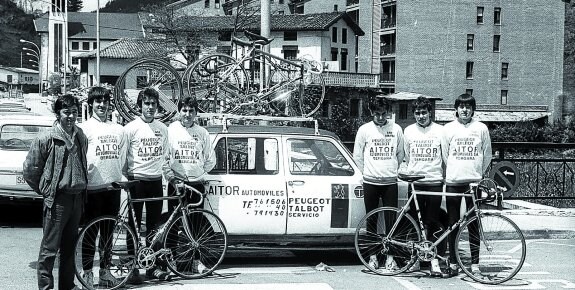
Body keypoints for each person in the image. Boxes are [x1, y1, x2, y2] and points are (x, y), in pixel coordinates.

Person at [23, 94, 88, 290]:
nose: (71, 116)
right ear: (58, 114)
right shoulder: (46, 138)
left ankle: (67, 286)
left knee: (70, 248)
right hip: (57, 200)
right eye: (66, 112)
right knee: (49, 249)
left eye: (74, 112)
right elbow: (30, 170)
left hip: (77, 199)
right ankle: (45, 286)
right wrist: (46, 190)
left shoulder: (80, 135)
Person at [78, 86, 127, 287]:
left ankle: (105, 272)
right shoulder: (84, 128)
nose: (102, 105)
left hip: (113, 188)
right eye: (98, 101)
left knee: (108, 234)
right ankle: (88, 273)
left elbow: (122, 156)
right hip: (93, 189)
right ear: (91, 105)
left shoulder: (118, 129)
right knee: (90, 233)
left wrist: (116, 175)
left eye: (105, 101)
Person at [162, 96, 216, 273]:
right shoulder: (171, 130)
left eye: (191, 111)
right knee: (173, 224)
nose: (187, 114)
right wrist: (173, 176)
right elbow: (165, 156)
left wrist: (199, 172)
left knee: (196, 224)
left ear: (196, 113)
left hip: (196, 184)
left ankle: (195, 261)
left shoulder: (202, 132)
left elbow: (210, 159)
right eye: (184, 110)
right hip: (177, 184)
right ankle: (171, 262)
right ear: (179, 111)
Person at [441, 93, 492, 276]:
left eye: (468, 107)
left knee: (473, 224)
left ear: (473, 109)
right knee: (453, 223)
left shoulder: (481, 128)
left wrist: (476, 173)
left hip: (474, 182)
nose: (464, 110)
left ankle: (475, 264)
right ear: (456, 109)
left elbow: (487, 155)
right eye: (461, 106)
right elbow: (445, 155)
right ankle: (453, 263)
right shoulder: (447, 129)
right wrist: (456, 170)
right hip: (454, 181)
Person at [123, 87, 170, 282]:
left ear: (157, 107)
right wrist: (126, 178)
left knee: (155, 226)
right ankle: (132, 267)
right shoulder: (130, 128)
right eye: (146, 104)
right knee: (132, 227)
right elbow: (123, 157)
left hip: (155, 182)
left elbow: (165, 156)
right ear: (140, 105)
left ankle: (153, 267)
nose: (150, 108)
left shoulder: (163, 128)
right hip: (137, 182)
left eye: (153, 104)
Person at [353, 97, 405, 271]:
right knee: (372, 221)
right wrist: (367, 172)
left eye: (384, 114)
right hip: (370, 181)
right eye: (377, 114)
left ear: (388, 113)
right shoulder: (364, 130)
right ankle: (373, 257)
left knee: (392, 222)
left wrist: (391, 170)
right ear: (371, 112)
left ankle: (391, 257)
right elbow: (358, 156)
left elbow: (400, 153)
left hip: (390, 181)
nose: (381, 117)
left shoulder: (396, 129)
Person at [403, 96, 448, 277]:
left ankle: (433, 260)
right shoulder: (408, 131)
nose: (421, 116)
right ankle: (415, 259)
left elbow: (445, 157)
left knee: (432, 222)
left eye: (424, 112)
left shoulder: (440, 131)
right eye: (417, 113)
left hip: (434, 182)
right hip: (415, 183)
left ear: (430, 113)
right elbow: (407, 155)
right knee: (414, 223)